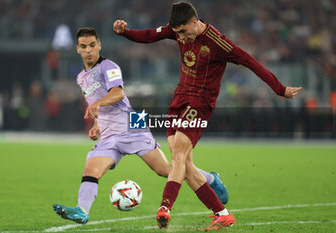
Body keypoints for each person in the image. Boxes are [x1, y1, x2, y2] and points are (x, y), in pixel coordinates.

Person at [113, 1, 302, 230]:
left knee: (179, 154)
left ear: (195, 22)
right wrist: (125, 32)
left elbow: (250, 62)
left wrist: (279, 88)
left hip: (200, 103)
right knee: (184, 165)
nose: (181, 37)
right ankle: (222, 212)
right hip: (179, 99)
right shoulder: (178, 31)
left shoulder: (218, 43)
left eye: (183, 31)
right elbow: (151, 35)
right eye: (177, 33)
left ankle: (165, 207)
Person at [52, 27, 229, 224]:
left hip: (131, 127)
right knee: (91, 170)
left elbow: (117, 93)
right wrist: (96, 124)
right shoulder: (81, 78)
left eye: (92, 45)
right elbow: (95, 102)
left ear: (99, 45)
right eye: (84, 46)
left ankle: (210, 179)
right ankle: (82, 211)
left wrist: (97, 104)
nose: (89, 50)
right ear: (77, 49)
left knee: (167, 170)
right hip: (109, 136)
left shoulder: (108, 66)